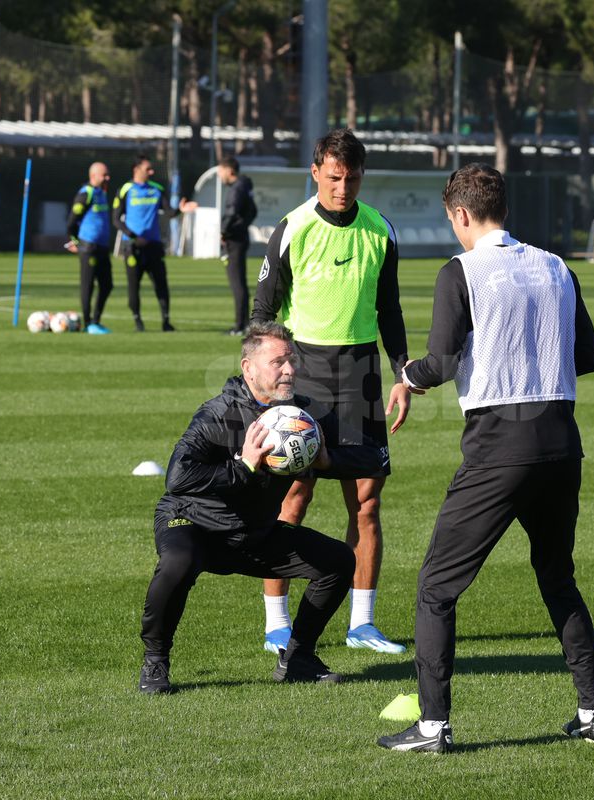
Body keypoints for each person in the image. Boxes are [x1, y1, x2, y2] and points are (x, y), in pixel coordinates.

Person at [377, 164, 594, 753]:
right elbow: (587, 357)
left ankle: (433, 728)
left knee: (436, 588)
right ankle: (593, 712)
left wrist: (405, 375)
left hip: (499, 446)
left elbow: (441, 363)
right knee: (558, 578)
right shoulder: (557, 266)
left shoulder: (461, 271)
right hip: (561, 443)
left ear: (460, 214)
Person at [138, 321, 386, 693]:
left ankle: (298, 658)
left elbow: (372, 457)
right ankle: (155, 662)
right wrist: (243, 466)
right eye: (278, 362)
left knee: (336, 561)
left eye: (292, 361)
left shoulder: (304, 415)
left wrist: (327, 462)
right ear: (248, 368)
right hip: (193, 523)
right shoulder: (218, 414)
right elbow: (178, 477)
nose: (289, 370)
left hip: (255, 533)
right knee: (178, 563)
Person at [251, 129, 411, 656]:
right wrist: (263, 382)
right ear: (316, 171)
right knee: (292, 497)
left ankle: (361, 623)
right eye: (335, 177)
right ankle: (278, 624)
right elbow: (263, 314)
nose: (344, 187)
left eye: (354, 177)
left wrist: (401, 375)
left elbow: (389, 309)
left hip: (362, 374)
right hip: (304, 375)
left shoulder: (380, 230)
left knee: (366, 504)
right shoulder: (292, 229)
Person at [113, 154, 173, 333]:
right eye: (148, 169)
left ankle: (166, 321)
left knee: (161, 284)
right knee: (134, 285)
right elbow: (116, 219)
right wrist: (132, 236)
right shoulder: (125, 189)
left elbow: (168, 212)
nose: (152, 172)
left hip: (154, 245)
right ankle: (138, 321)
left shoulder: (157, 189)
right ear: (136, 169)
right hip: (132, 247)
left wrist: (180, 210)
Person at [65, 162, 114, 334]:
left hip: (102, 246)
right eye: (104, 175)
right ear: (93, 176)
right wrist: (75, 243)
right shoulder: (86, 194)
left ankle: (96, 321)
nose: (108, 178)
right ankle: (88, 324)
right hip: (89, 247)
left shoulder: (102, 193)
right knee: (88, 285)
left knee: (107, 285)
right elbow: (71, 223)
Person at [218, 157, 258, 336]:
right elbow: (253, 211)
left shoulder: (237, 188)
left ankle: (240, 325)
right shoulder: (245, 187)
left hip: (235, 239)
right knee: (239, 281)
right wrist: (243, 225)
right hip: (240, 236)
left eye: (220, 171)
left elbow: (232, 212)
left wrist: (224, 232)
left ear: (229, 170)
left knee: (237, 283)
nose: (219, 175)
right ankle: (242, 323)